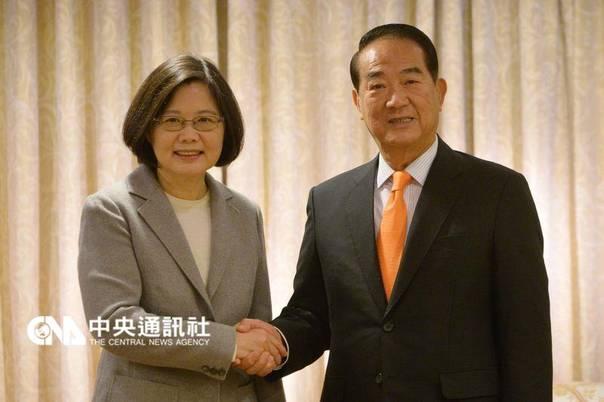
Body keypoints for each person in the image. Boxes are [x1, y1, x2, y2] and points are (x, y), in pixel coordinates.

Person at [237, 24, 552, 401]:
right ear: (357, 102)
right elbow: (313, 315)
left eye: (410, 81)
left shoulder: (498, 192)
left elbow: (526, 333)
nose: (395, 99)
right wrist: (275, 341)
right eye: (377, 85)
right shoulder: (328, 201)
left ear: (439, 92)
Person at [78, 54, 286, 402]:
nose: (189, 135)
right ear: (148, 128)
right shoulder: (111, 210)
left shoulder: (245, 213)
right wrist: (227, 344)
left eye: (205, 120)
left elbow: (257, 329)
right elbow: (115, 324)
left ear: (225, 128)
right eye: (172, 121)